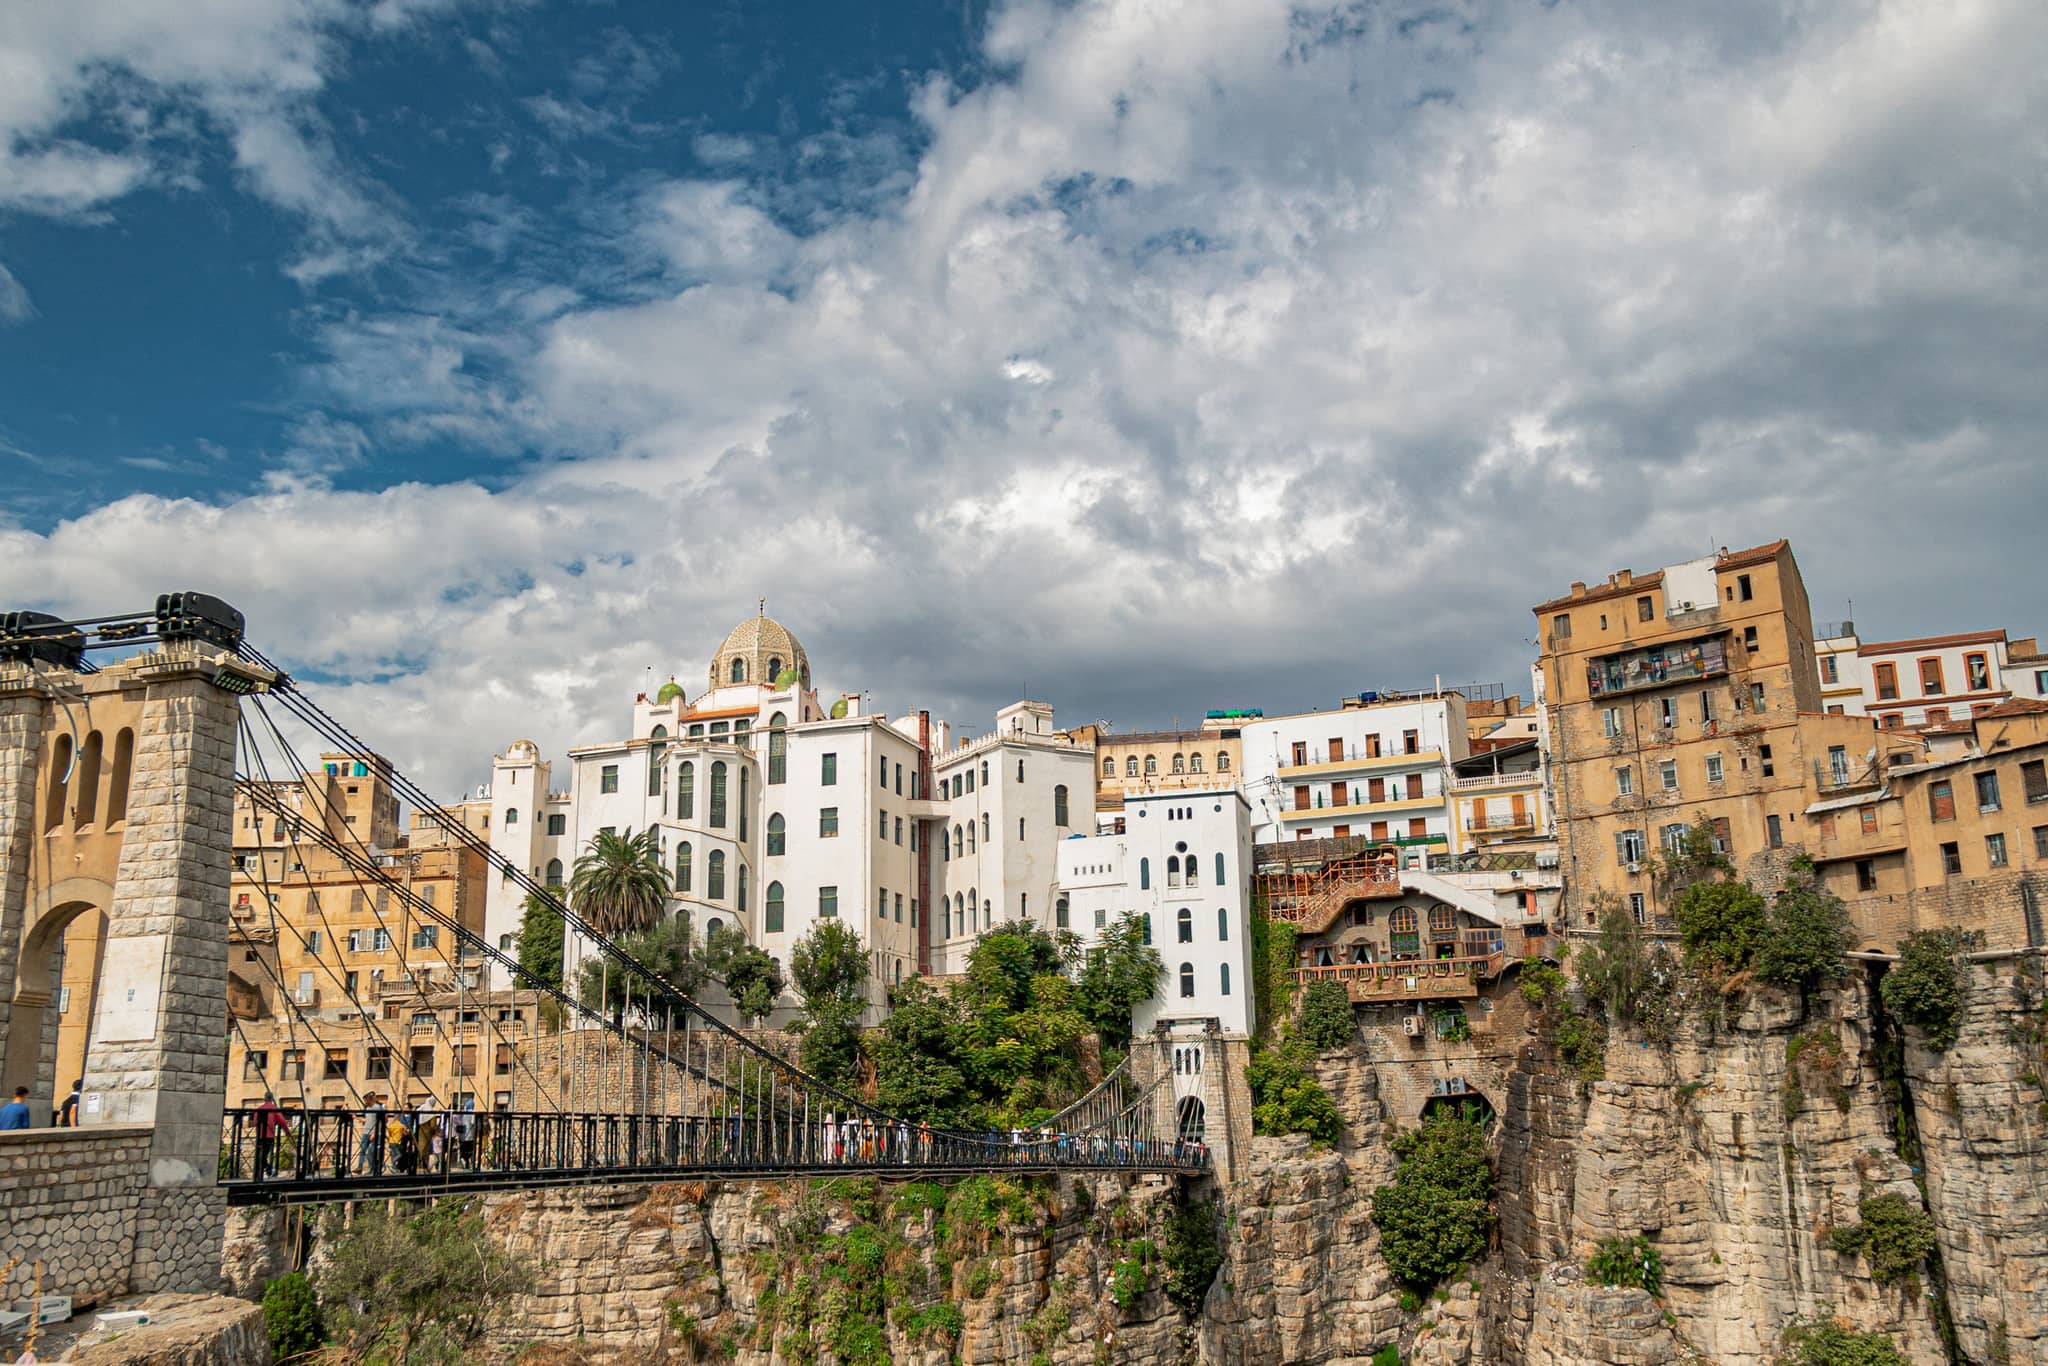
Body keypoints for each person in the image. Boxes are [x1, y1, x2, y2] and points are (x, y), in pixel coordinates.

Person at [253, 1096, 290, 1177]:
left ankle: (261, 1173)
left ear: (264, 1099)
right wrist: (287, 1132)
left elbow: (255, 1122)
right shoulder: (274, 1109)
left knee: (260, 1155)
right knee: (263, 1155)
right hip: (269, 1135)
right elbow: (282, 1121)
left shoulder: (259, 1109)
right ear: (272, 1099)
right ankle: (268, 1170)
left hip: (260, 1136)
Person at [357, 1094, 386, 1175]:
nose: (365, 1102)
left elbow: (380, 1122)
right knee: (363, 1150)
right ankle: (360, 1167)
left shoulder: (378, 1108)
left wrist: (375, 1133)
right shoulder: (367, 1108)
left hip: (374, 1132)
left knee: (372, 1151)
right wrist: (356, 1117)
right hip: (366, 1132)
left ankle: (374, 1169)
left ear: (369, 1100)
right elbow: (367, 1119)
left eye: (365, 1100)